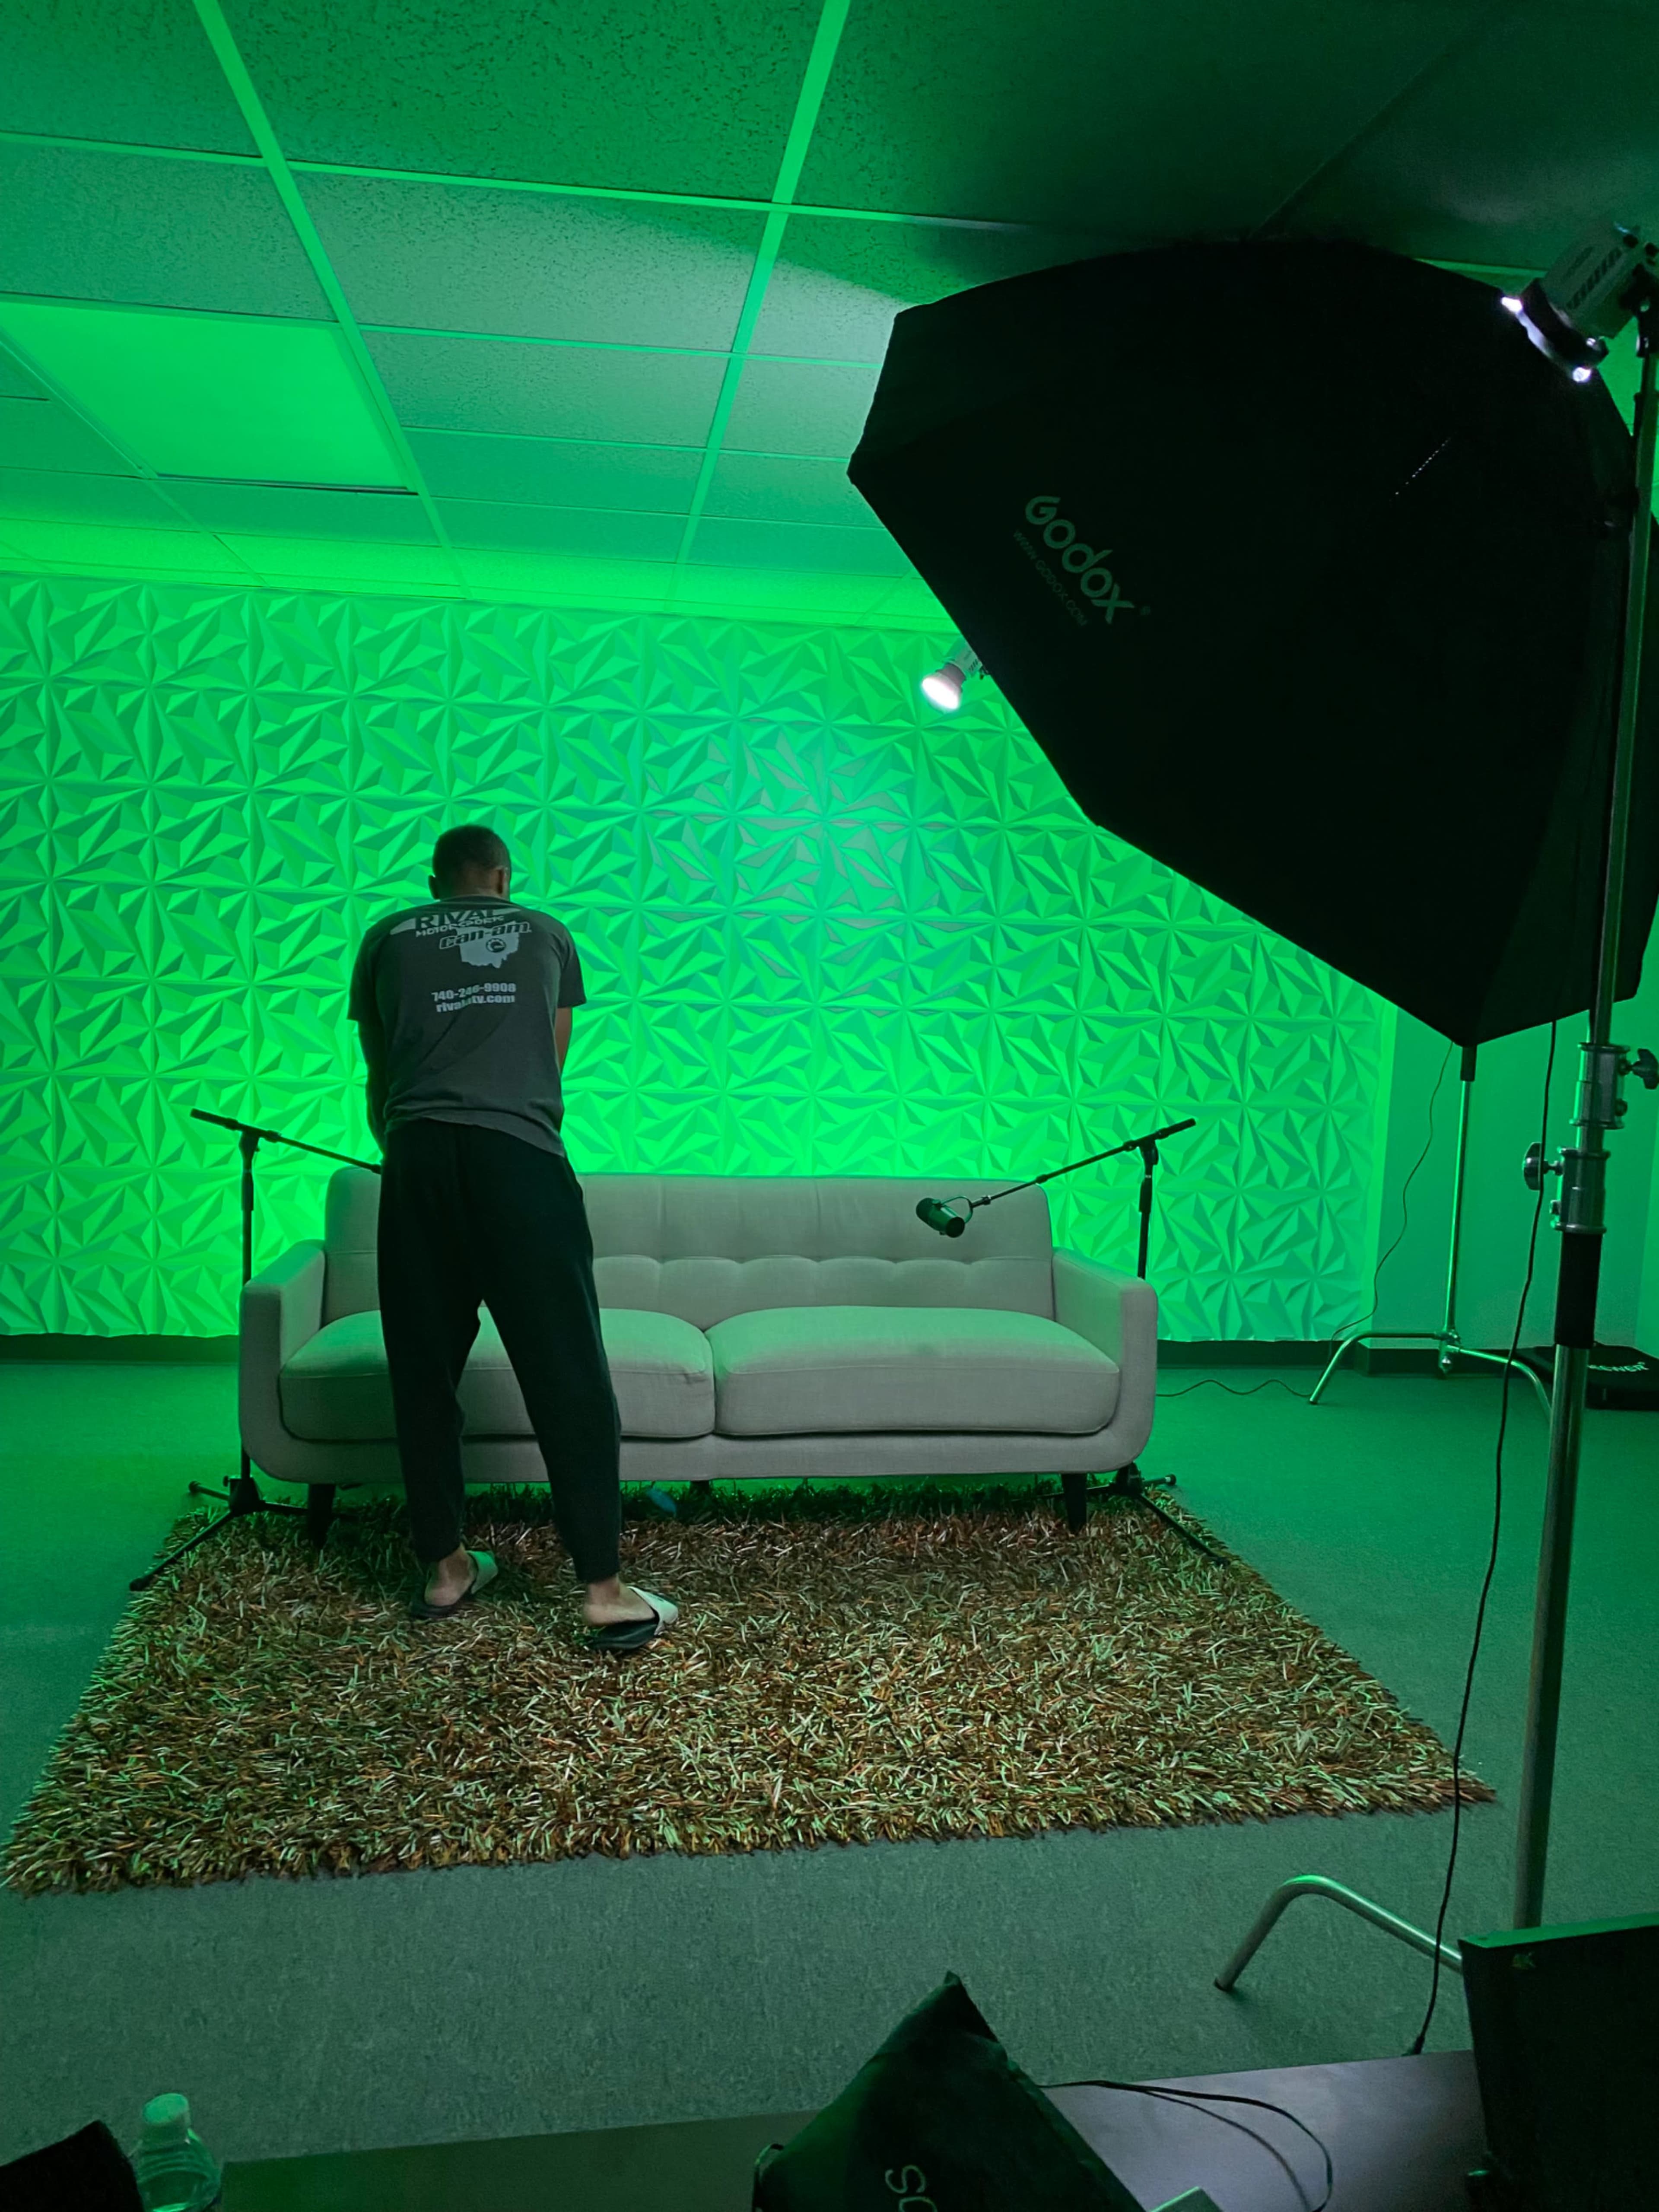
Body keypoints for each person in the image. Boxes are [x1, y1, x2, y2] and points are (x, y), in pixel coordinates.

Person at [348, 824, 675, 1651]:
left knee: (422, 1368)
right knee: (565, 1366)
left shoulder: (385, 936)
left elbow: (379, 1075)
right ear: (501, 878)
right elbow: (548, 1066)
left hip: (418, 1159)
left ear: (435, 882)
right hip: (520, 1161)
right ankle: (602, 1587)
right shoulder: (546, 932)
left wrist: (420, 1155)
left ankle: (445, 1568)